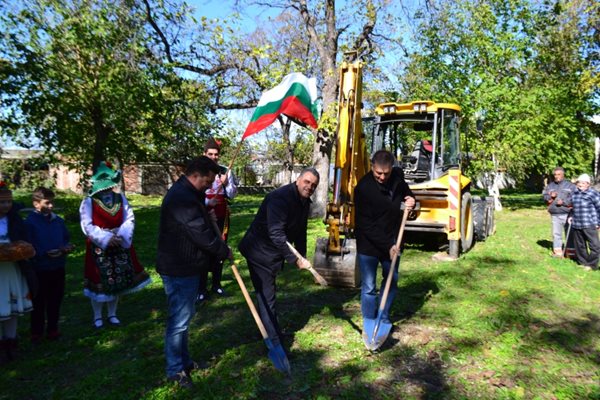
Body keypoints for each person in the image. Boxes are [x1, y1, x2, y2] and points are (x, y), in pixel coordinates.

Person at [156, 156, 232, 388]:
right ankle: (175, 369)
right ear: (196, 174)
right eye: (207, 182)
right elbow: (199, 233)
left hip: (186, 266)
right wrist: (222, 250)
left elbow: (198, 220)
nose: (209, 186)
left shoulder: (190, 193)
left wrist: (206, 209)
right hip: (179, 267)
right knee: (179, 321)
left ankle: (184, 361)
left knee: (183, 318)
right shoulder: (181, 198)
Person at [238, 167, 319, 352]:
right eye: (307, 182)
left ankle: (270, 330)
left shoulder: (304, 201)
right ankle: (275, 343)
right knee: (267, 296)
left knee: (267, 293)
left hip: (273, 252)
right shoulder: (279, 198)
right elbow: (276, 234)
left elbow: (301, 231)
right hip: (259, 251)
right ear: (298, 180)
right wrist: (294, 260)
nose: (309, 187)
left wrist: (302, 255)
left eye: (313, 185)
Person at [79, 161, 151, 329]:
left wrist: (120, 235)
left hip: (118, 244)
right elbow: (86, 225)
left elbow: (129, 218)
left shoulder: (120, 198)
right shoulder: (89, 202)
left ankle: (112, 314)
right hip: (99, 248)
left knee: (118, 280)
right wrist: (104, 238)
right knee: (99, 281)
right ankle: (97, 316)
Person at [354, 150, 415, 333]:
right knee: (369, 286)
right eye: (378, 173)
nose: (382, 177)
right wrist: (388, 246)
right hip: (369, 244)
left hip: (393, 240)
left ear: (392, 168)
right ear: (372, 167)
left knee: (391, 280)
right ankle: (370, 320)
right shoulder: (363, 189)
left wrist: (412, 199)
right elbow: (366, 225)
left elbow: (406, 193)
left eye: (385, 173)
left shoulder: (397, 176)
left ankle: (384, 316)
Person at [25, 187, 74, 343]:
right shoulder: (29, 223)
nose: (51, 206)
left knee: (55, 299)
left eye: (52, 202)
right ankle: (36, 332)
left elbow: (66, 238)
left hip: (58, 266)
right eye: (47, 203)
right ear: (36, 204)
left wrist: (66, 247)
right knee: (38, 301)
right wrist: (43, 253)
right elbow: (27, 245)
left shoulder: (58, 221)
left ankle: (53, 329)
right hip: (39, 268)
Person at [197, 137, 238, 303]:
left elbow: (233, 194)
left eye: (216, 155)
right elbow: (193, 193)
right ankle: (201, 288)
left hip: (221, 215)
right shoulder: (197, 170)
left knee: (221, 247)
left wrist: (227, 183)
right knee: (203, 249)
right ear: (204, 154)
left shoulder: (224, 170)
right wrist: (207, 203)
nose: (214, 157)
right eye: (210, 154)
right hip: (203, 214)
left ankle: (216, 284)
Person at [0, 182, 34, 363]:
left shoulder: (14, 220)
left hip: (12, 268)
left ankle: (11, 342)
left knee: (11, 306)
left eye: (8, 202)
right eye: (2, 202)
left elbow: (23, 239)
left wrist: (21, 248)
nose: (6, 206)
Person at [542, 167, 576, 257]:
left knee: (569, 234)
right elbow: (544, 197)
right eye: (555, 175)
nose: (556, 176)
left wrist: (564, 202)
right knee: (556, 234)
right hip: (555, 214)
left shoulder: (570, 186)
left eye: (559, 174)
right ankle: (558, 252)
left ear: (563, 175)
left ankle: (571, 252)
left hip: (567, 213)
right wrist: (550, 197)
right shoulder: (550, 186)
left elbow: (574, 198)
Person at [569, 173, 600, 271]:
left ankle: (592, 264)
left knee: (594, 246)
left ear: (588, 184)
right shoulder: (575, 193)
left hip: (589, 223)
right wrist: (570, 216)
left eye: (583, 182)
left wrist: (598, 222)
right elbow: (573, 207)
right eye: (579, 182)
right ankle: (583, 262)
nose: (580, 184)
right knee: (580, 245)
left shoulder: (593, 193)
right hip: (577, 223)